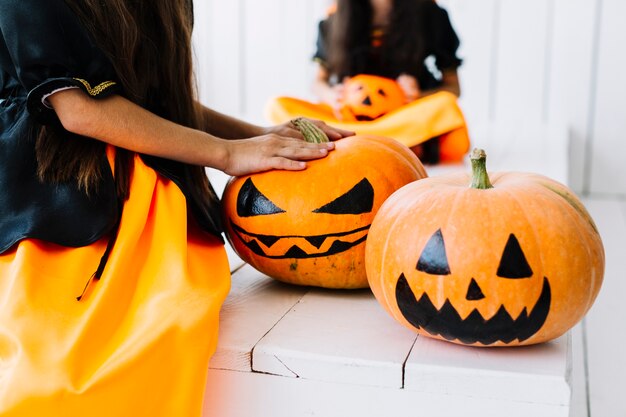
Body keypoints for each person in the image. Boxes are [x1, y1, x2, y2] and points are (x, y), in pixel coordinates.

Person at [0, 0, 351, 415]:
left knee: (166, 321)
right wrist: (227, 154)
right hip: (55, 192)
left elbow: (147, 105)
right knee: (69, 372)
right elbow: (79, 108)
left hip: (142, 184)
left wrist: (259, 135)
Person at [265, 0, 469, 164]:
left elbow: (453, 89)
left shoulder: (430, 12)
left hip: (404, 116)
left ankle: (350, 142)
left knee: (446, 105)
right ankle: (399, 144)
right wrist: (331, 95)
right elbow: (318, 83)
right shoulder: (334, 17)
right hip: (349, 118)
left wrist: (418, 96)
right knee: (279, 107)